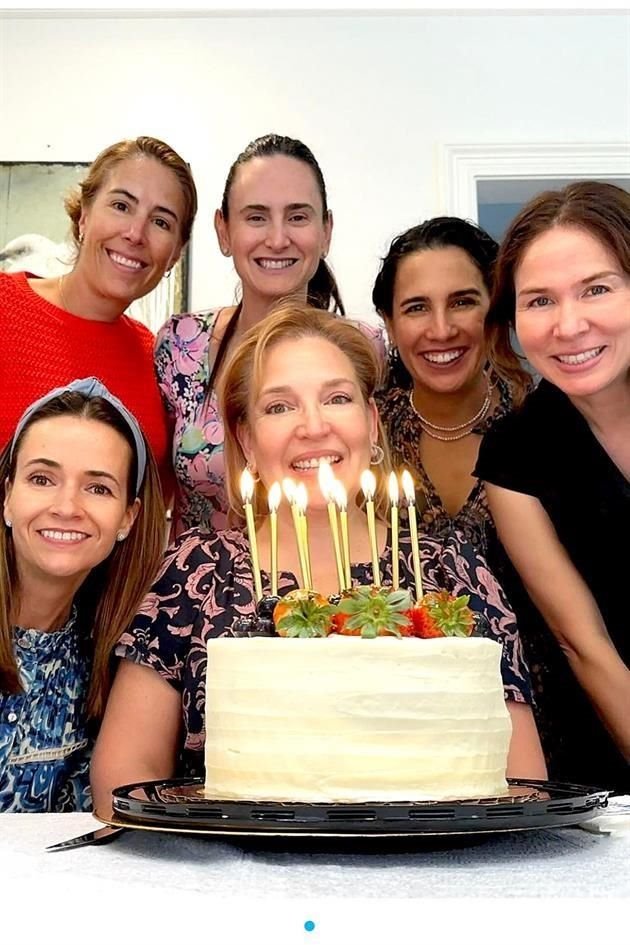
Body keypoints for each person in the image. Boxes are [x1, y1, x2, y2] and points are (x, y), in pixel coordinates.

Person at [91, 303, 545, 814]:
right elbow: (126, 773)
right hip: (236, 874)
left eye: (337, 398)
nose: (313, 426)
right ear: (246, 439)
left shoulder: (450, 572)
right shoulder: (197, 570)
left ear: (372, 425)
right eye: (279, 406)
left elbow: (520, 778)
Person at [476, 180, 630, 793]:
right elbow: (582, 642)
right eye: (539, 301)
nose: (569, 325)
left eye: (596, 289)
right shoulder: (516, 455)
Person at [156, 132, 383, 539]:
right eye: (256, 217)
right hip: (202, 590)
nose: (278, 239)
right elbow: (153, 492)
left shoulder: (365, 347)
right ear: (223, 231)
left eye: (298, 216)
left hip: (329, 590)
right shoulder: (181, 345)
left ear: (326, 231)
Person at [0, 378, 166, 812]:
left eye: (98, 488)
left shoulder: (121, 660)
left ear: (128, 517)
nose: (67, 506)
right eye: (41, 478)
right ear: (6, 498)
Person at [0, 136, 198, 495]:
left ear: (175, 254)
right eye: (121, 206)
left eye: (161, 222)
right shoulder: (4, 306)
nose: (135, 234)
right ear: (84, 215)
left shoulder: (156, 358)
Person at [373, 218, 532, 556]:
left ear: (495, 307)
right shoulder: (366, 432)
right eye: (417, 308)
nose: (442, 330)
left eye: (462, 302)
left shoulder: (542, 426)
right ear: (390, 321)